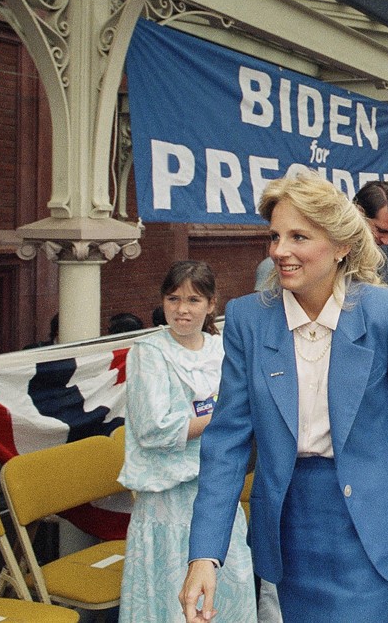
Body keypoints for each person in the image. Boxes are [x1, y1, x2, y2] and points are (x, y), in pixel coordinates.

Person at [181, 174, 388, 622]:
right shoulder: (249, 320)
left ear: (342, 245)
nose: (279, 250)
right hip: (290, 527)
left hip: (372, 525)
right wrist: (204, 555)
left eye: (298, 237)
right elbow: (227, 442)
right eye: (274, 236)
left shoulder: (385, 314)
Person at [118, 261, 256, 623]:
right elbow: (153, 428)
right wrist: (223, 415)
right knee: (171, 601)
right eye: (173, 298)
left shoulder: (222, 348)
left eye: (194, 300)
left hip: (218, 488)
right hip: (169, 499)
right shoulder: (148, 352)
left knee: (227, 593)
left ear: (211, 305)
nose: (182, 309)